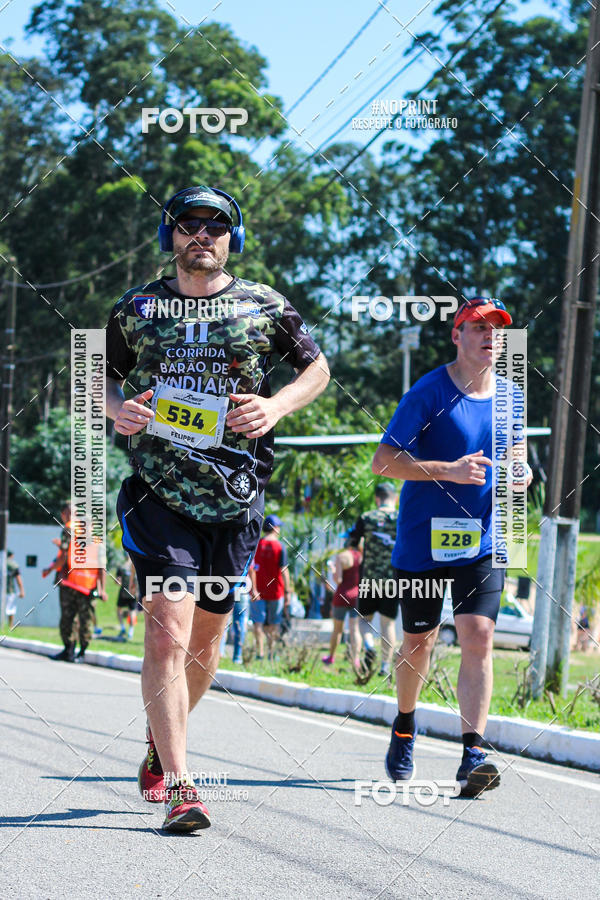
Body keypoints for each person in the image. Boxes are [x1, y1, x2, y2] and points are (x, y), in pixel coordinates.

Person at [105, 184, 329, 832]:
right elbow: (92, 370)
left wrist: (278, 405)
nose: (201, 235)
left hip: (235, 499)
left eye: (215, 225)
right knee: (166, 631)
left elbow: (317, 369)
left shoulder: (264, 304)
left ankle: (158, 741)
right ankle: (182, 785)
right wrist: (119, 409)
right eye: (187, 224)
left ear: (233, 237)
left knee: (206, 644)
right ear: (169, 235)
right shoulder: (139, 307)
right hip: (159, 495)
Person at [372, 297, 532, 797]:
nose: (490, 337)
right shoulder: (427, 392)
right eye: (478, 327)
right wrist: (449, 470)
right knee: (419, 640)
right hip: (424, 541)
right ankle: (404, 722)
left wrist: (522, 473)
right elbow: (382, 462)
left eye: (498, 331)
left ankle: (473, 754)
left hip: (483, 539)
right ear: (456, 335)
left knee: (479, 634)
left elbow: (516, 452)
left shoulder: (511, 395)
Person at [43, 504, 107, 662]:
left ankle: (71, 651)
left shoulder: (70, 529)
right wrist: (102, 588)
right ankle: (78, 653)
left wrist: (51, 570)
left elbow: (65, 556)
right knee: (82, 619)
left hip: (74, 583)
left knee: (70, 617)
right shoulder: (97, 537)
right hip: (85, 584)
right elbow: (101, 565)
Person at [351, 483, 399, 677]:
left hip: (369, 578)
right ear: (394, 498)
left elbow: (353, 544)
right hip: (393, 579)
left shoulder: (366, 518)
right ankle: (385, 666)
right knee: (388, 624)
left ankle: (369, 645)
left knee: (364, 621)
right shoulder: (400, 518)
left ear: (377, 499)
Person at [251, 515, 291, 659]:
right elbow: (284, 571)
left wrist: (252, 589)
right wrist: (288, 592)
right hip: (276, 591)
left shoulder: (257, 545)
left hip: (258, 590)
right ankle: (271, 652)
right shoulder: (280, 546)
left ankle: (259, 652)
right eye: (278, 526)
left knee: (258, 622)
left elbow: (252, 568)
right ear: (274, 528)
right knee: (274, 622)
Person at [322, 535, 362, 668]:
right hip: (356, 596)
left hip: (342, 596)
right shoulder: (361, 556)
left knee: (337, 629)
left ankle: (331, 657)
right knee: (355, 629)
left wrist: (333, 570)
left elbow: (338, 580)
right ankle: (356, 660)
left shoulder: (342, 557)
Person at [116, 560, 138, 640]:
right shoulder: (136, 564)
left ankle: (123, 628)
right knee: (132, 611)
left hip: (124, 592)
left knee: (119, 609)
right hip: (134, 592)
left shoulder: (122, 566)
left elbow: (118, 581)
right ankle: (130, 632)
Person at [5, 550, 25, 629]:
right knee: (11, 609)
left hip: (5, 590)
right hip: (9, 590)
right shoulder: (13, 565)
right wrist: (22, 590)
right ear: (11, 556)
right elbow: (18, 578)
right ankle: (10, 626)